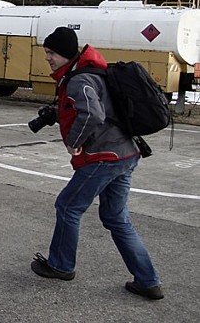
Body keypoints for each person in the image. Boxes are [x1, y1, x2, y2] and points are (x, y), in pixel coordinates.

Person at [30, 26, 163, 300]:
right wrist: (58, 113)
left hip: (105, 157)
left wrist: (74, 141)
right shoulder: (92, 71)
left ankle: (61, 265)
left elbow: (92, 113)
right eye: (47, 53)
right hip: (126, 153)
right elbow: (99, 108)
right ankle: (148, 281)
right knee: (116, 217)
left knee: (68, 206)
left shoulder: (79, 79)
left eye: (51, 53)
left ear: (66, 54)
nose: (48, 58)